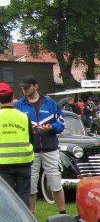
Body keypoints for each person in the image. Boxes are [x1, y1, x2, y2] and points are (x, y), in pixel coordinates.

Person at [14, 75, 67, 214]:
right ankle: (31, 216)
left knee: (55, 183)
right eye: (22, 87)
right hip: (31, 150)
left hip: (50, 149)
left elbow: (61, 124)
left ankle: (63, 213)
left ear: (35, 86)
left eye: (27, 87)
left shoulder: (50, 103)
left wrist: (51, 127)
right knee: (31, 186)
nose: (24, 90)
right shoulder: (19, 104)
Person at [0, 82, 34, 206]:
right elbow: (31, 139)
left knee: (6, 198)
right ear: (13, 96)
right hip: (24, 162)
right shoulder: (24, 117)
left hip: (3, 164)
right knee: (23, 196)